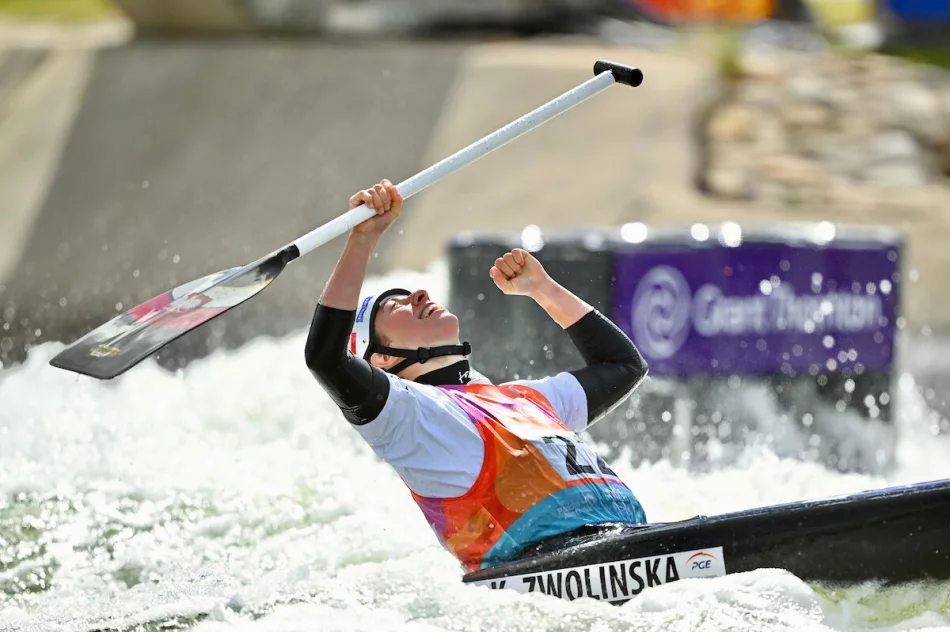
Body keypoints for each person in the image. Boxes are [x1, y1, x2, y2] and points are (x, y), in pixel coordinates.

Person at [305, 179, 650, 574]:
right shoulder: (407, 418)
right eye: (393, 306)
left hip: (625, 542)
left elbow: (624, 364)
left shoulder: (527, 399)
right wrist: (363, 241)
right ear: (380, 359)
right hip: (541, 572)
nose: (418, 295)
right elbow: (326, 358)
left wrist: (543, 288)